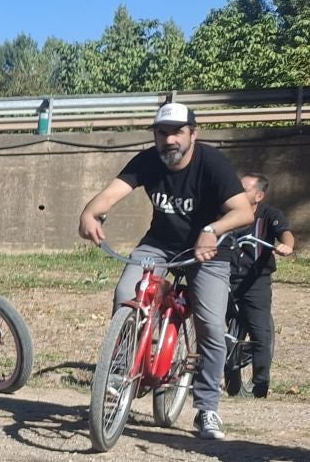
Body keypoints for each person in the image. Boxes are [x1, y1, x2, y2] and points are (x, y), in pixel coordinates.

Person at [77, 102, 253, 440]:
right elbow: (111, 194)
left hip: (210, 250)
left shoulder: (213, 164)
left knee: (210, 324)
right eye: (162, 132)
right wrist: (88, 214)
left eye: (177, 132)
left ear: (193, 134)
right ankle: (121, 372)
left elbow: (243, 211)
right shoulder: (147, 160)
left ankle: (208, 408)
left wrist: (213, 229)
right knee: (127, 294)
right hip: (159, 244)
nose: (169, 139)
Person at [224, 173, 294, 398]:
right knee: (210, 326)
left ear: (259, 196)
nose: (237, 191)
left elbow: (286, 234)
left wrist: (286, 245)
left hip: (255, 280)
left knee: (259, 331)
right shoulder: (225, 213)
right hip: (225, 277)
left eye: (244, 189)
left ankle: (260, 384)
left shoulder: (269, 215)